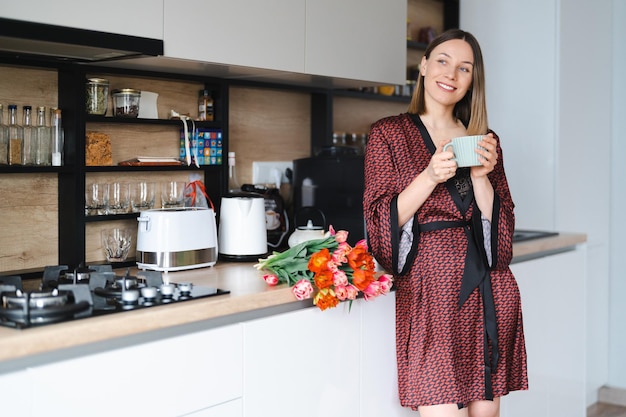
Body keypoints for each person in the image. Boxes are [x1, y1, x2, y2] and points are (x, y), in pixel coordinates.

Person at [363, 29, 528, 416]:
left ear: (473, 80)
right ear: (422, 66)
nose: (451, 74)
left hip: (490, 291)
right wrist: (429, 176)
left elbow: (503, 232)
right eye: (442, 61)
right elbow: (377, 220)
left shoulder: (484, 140)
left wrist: (482, 176)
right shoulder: (388, 133)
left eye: (464, 68)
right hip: (431, 296)